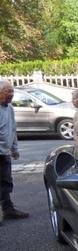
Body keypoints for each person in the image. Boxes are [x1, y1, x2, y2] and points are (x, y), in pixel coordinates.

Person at [0, 80, 29, 223]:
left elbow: (12, 129)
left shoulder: (9, 108)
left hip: (4, 153)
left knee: (6, 182)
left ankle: (7, 209)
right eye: (8, 91)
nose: (11, 94)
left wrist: (14, 148)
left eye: (12, 91)